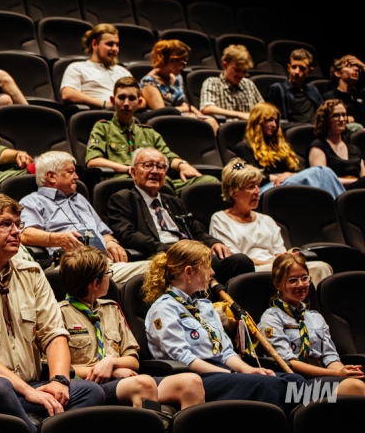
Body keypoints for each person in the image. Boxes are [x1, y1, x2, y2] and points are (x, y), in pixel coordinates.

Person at [0, 194, 105, 433]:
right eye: (5, 224)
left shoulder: (31, 273)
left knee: (91, 391)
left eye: (17, 224)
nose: (16, 231)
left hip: (29, 386)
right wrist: (28, 391)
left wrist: (59, 381)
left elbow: (54, 334)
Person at [143, 240, 305, 411]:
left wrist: (248, 370)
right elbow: (183, 358)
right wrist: (230, 374)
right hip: (194, 377)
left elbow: (226, 352)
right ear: (189, 272)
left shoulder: (205, 306)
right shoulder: (164, 308)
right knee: (272, 386)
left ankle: (310, 414)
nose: (212, 272)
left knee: (296, 381)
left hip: (222, 373)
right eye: (207, 267)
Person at [58, 245, 205, 408]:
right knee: (144, 384)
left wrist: (112, 362)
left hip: (122, 380)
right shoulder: (59, 314)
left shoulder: (111, 309)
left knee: (191, 383)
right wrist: (108, 370)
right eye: (107, 273)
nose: (109, 278)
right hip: (86, 385)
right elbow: (54, 368)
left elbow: (133, 361)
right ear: (95, 283)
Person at [107, 148, 254, 284]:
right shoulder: (123, 199)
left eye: (160, 167)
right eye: (148, 165)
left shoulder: (173, 202)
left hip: (192, 255)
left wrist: (214, 242)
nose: (155, 171)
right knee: (209, 261)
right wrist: (171, 250)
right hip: (162, 257)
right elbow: (128, 234)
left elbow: (196, 231)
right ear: (133, 172)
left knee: (241, 261)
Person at [19, 150, 149, 283]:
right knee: (155, 270)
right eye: (70, 172)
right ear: (51, 176)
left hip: (103, 262)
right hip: (71, 265)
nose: (76, 177)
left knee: (157, 267)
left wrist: (111, 242)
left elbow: (104, 232)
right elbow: (25, 235)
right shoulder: (32, 202)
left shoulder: (80, 199)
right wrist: (58, 239)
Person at [209, 159, 333, 284]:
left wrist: (287, 257)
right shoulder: (220, 219)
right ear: (234, 193)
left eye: (258, 186)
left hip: (276, 266)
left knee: (321, 267)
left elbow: (279, 253)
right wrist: (273, 263)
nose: (257, 191)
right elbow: (234, 259)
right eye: (251, 187)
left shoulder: (266, 220)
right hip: (252, 270)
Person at [259, 252, 365, 397]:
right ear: (278, 284)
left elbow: (330, 357)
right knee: (355, 388)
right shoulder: (271, 318)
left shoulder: (315, 317)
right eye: (293, 280)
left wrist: (345, 372)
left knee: (355, 382)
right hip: (294, 388)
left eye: (304, 278)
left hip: (323, 378)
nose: (300, 285)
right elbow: (288, 363)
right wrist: (336, 374)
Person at [85, 76, 216, 194]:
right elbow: (93, 161)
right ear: (113, 100)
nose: (126, 103)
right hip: (124, 182)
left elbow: (168, 156)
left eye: (131, 98)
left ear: (139, 102)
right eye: (121, 97)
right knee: (159, 186)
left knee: (209, 181)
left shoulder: (148, 132)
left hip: (157, 182)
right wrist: (129, 169)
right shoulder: (102, 128)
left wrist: (183, 165)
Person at [234, 102, 345, 197]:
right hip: (265, 189)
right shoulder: (243, 147)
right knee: (320, 171)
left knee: (324, 172)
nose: (274, 125)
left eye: (276, 121)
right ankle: (341, 207)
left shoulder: (280, 146)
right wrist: (277, 177)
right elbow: (250, 176)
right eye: (269, 120)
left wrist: (289, 175)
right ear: (258, 122)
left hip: (286, 183)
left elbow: (296, 171)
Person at [141, 39, 218, 132]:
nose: (184, 68)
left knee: (211, 121)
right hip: (165, 123)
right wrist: (187, 108)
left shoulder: (177, 77)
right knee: (193, 119)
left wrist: (197, 113)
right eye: (183, 63)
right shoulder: (149, 82)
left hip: (181, 116)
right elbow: (162, 111)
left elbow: (181, 102)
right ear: (172, 59)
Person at [60, 23, 132, 110]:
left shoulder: (123, 72)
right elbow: (67, 94)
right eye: (110, 44)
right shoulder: (78, 67)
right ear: (94, 44)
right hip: (101, 112)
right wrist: (104, 104)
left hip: (126, 112)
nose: (115, 49)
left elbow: (141, 100)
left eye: (117, 45)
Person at [309, 99, 365, 190]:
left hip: (357, 192)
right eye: (336, 115)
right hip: (336, 191)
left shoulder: (354, 149)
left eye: (344, 115)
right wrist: (356, 181)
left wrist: (358, 182)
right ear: (325, 120)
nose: (342, 119)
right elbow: (322, 179)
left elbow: (363, 176)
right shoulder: (318, 147)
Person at [200, 45, 263, 120]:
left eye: (244, 71)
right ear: (225, 65)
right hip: (225, 126)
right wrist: (239, 115)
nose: (241, 75)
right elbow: (206, 108)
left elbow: (265, 110)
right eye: (237, 70)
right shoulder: (212, 83)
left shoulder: (249, 84)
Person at [266, 48, 323, 125]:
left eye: (302, 68)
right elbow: (273, 121)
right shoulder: (277, 89)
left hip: (314, 129)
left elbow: (323, 116)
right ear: (288, 68)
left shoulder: (313, 90)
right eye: (294, 67)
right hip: (291, 130)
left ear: (310, 71)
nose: (296, 71)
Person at [324, 55, 364, 129]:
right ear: (338, 73)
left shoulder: (360, 94)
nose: (356, 69)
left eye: (358, 67)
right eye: (349, 66)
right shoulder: (331, 97)